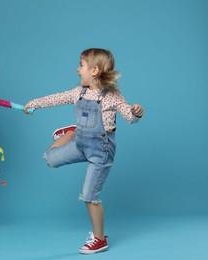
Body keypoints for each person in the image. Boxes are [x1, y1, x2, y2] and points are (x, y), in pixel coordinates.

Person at [24, 48, 144, 254]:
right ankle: (72, 132)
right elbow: (56, 98)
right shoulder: (79, 92)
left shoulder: (113, 96)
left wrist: (136, 113)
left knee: (89, 196)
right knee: (49, 159)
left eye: (81, 65)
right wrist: (34, 103)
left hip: (101, 152)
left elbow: (130, 118)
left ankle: (99, 239)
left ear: (95, 70)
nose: (77, 69)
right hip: (80, 143)